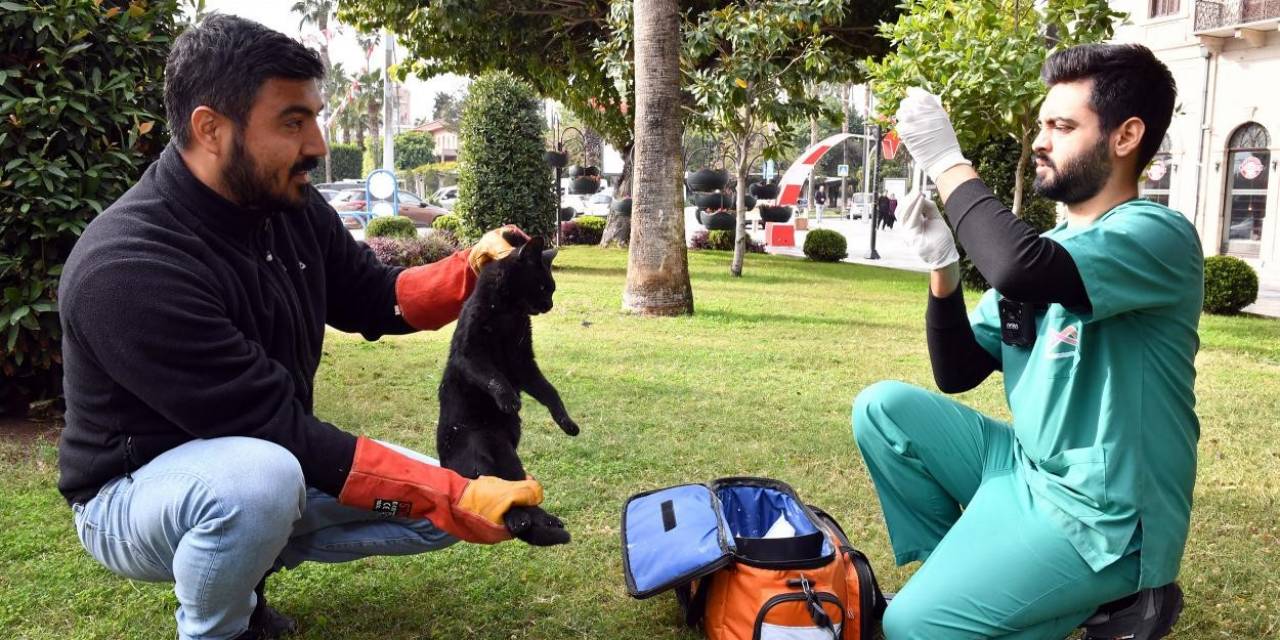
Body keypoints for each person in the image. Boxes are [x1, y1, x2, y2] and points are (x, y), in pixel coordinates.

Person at [57, 15, 545, 640]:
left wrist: (477, 273)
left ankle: (241, 558)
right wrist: (446, 495)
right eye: (292, 121)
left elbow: (374, 298)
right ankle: (222, 625)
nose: (317, 144)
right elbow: (273, 429)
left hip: (256, 463)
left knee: (444, 501)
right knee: (262, 484)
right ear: (211, 128)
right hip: (129, 498)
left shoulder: (283, 202)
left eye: (315, 117)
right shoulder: (128, 268)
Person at [852, 44, 1200, 640]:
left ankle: (1130, 597)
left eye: (1062, 126)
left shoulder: (1156, 235)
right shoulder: (1054, 247)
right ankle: (972, 582)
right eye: (1042, 124)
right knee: (882, 409)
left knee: (910, 628)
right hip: (1026, 468)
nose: (1040, 140)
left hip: (1103, 510)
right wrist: (943, 267)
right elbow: (957, 370)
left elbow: (1018, 266)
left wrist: (945, 160)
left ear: (1125, 137)